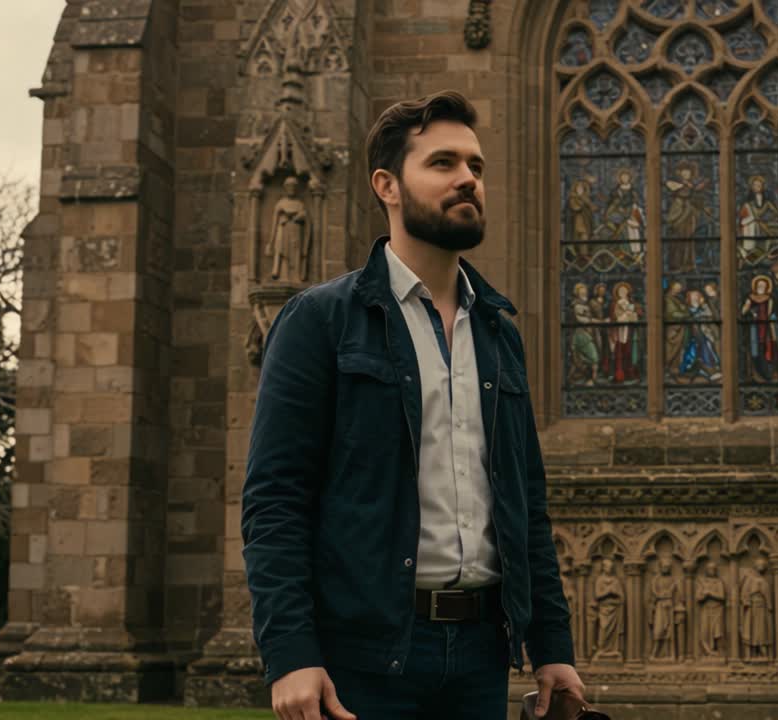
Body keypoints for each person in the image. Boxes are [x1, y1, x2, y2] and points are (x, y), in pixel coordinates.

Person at [242, 91, 584, 720]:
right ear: (387, 185)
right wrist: (290, 653)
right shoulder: (321, 321)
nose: (467, 180)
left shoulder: (499, 330)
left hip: (481, 659)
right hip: (364, 663)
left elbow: (524, 506)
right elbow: (275, 499)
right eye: (444, 163)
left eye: (476, 168)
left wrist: (551, 647)